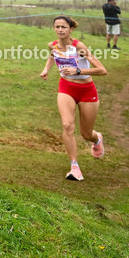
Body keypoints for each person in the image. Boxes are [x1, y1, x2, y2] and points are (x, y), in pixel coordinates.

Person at [39, 15, 108, 181]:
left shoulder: (79, 47)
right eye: (57, 27)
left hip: (86, 90)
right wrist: (46, 69)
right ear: (54, 29)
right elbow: (52, 55)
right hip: (66, 88)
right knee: (67, 125)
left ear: (71, 29)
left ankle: (97, 138)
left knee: (86, 134)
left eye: (64, 27)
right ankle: (74, 167)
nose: (60, 30)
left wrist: (78, 71)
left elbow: (102, 70)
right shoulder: (53, 45)